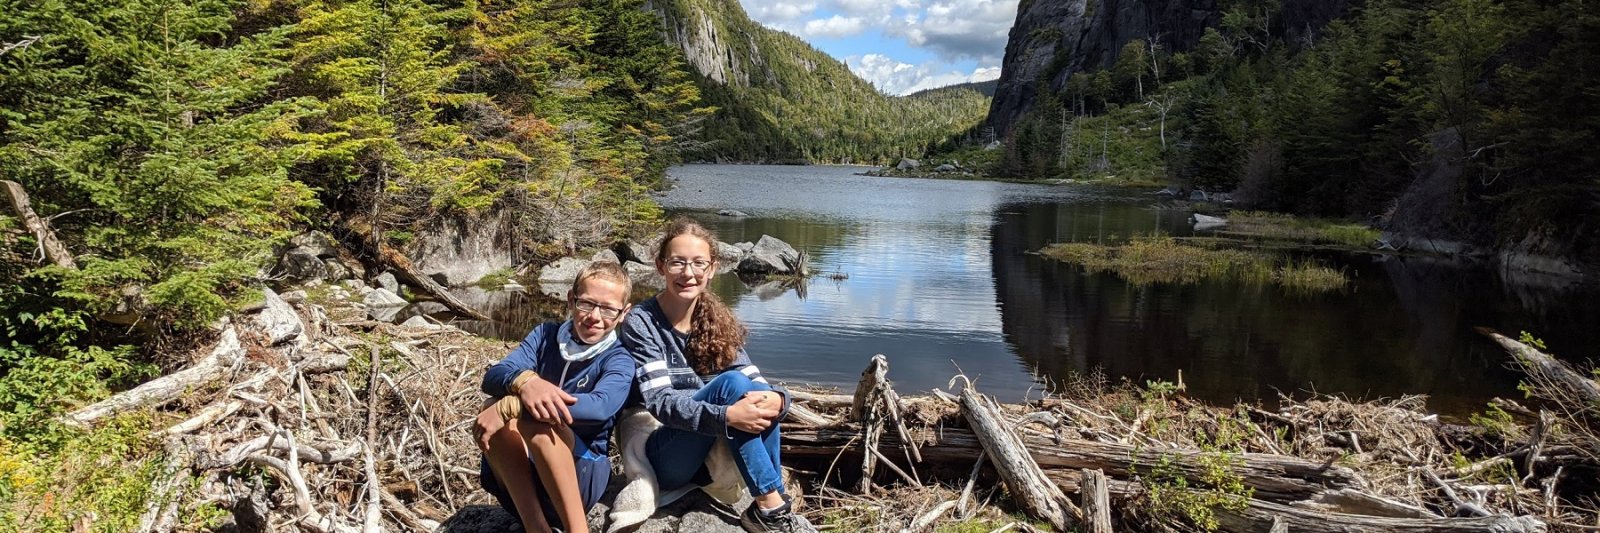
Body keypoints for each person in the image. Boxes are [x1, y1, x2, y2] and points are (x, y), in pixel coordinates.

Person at [619, 218, 817, 533]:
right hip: (662, 450)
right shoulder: (642, 322)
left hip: (704, 454)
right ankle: (772, 504)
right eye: (677, 262)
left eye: (699, 263)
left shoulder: (713, 317)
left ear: (712, 268)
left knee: (753, 389)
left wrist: (780, 398)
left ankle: (770, 505)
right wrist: (726, 416)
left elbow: (754, 378)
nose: (688, 273)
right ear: (660, 266)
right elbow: (660, 403)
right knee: (731, 386)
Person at [475, 261, 637, 533]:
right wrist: (524, 381)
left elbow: (599, 407)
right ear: (571, 300)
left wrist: (514, 403)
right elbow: (495, 375)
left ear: (623, 313)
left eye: (608, 309)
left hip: (581, 476)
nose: (595, 317)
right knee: (490, 406)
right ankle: (536, 527)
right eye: (586, 303)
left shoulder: (618, 359)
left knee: (535, 422)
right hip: (525, 481)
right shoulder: (545, 336)